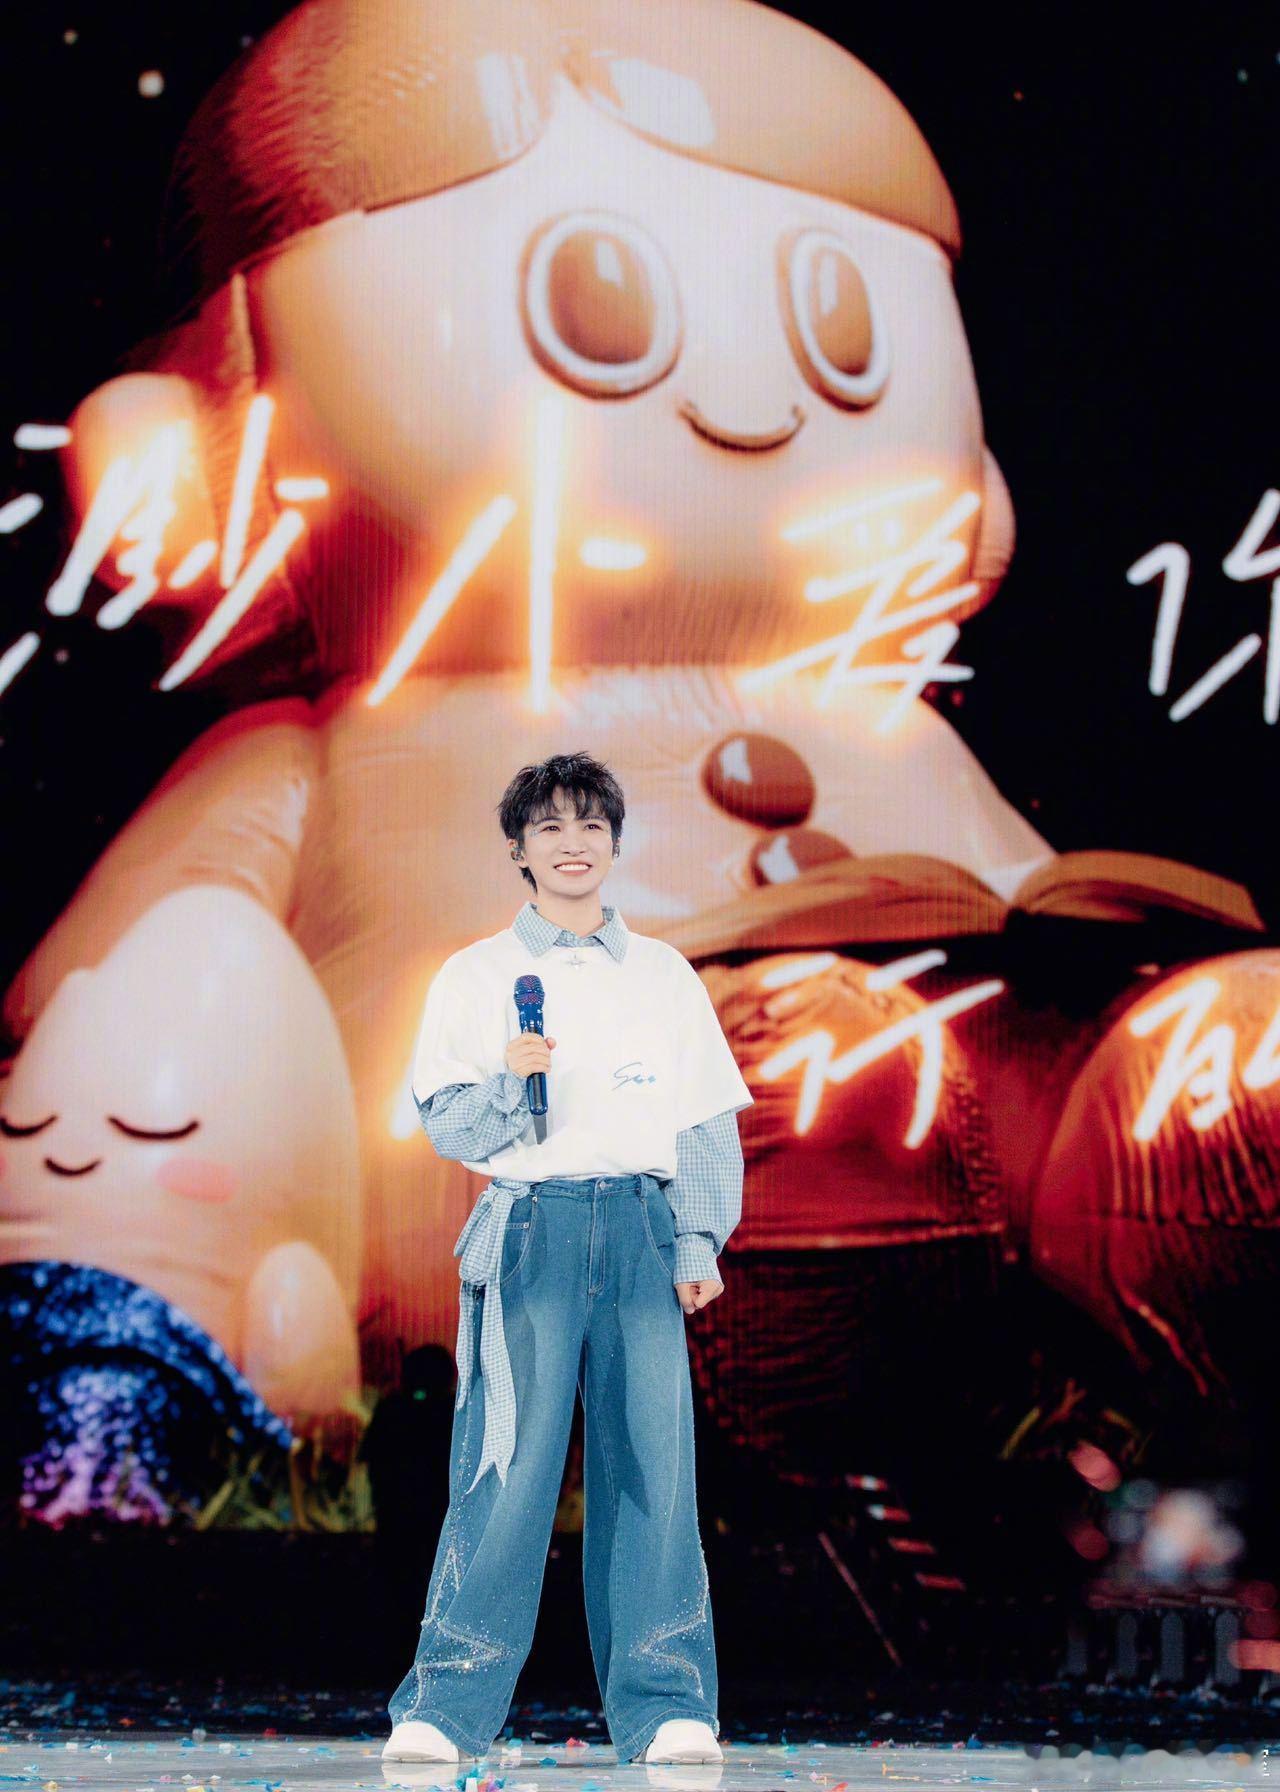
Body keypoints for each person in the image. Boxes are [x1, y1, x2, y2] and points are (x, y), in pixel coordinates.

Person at [384, 751, 753, 1768]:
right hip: (528, 1228)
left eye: (590, 824)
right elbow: (448, 1124)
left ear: (615, 842)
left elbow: (704, 1120)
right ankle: (447, 1703)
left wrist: (696, 1237)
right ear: (519, 848)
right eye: (549, 826)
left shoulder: (663, 974)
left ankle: (667, 1703)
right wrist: (512, 1084)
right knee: (502, 1469)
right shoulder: (475, 975)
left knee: (652, 1470)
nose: (572, 842)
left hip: (638, 1227)